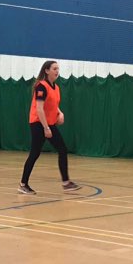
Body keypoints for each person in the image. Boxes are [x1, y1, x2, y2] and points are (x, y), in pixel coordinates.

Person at [19, 60, 80, 195]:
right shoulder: (41, 86)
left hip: (49, 123)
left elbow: (52, 103)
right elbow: (39, 109)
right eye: (54, 69)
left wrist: (60, 112)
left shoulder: (56, 88)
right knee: (35, 153)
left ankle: (66, 182)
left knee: (62, 149)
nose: (57, 71)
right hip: (38, 123)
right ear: (46, 71)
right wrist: (46, 128)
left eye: (58, 69)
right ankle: (23, 184)